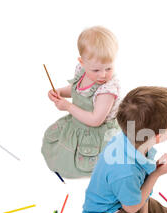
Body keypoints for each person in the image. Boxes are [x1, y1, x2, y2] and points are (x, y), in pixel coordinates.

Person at [41, 26, 121, 178]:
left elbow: (95, 120)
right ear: (82, 62)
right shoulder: (83, 70)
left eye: (109, 68)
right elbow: (77, 88)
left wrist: (68, 107)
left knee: (90, 163)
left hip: (96, 132)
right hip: (78, 123)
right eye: (96, 70)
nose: (103, 75)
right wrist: (60, 92)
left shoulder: (107, 90)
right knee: (60, 148)